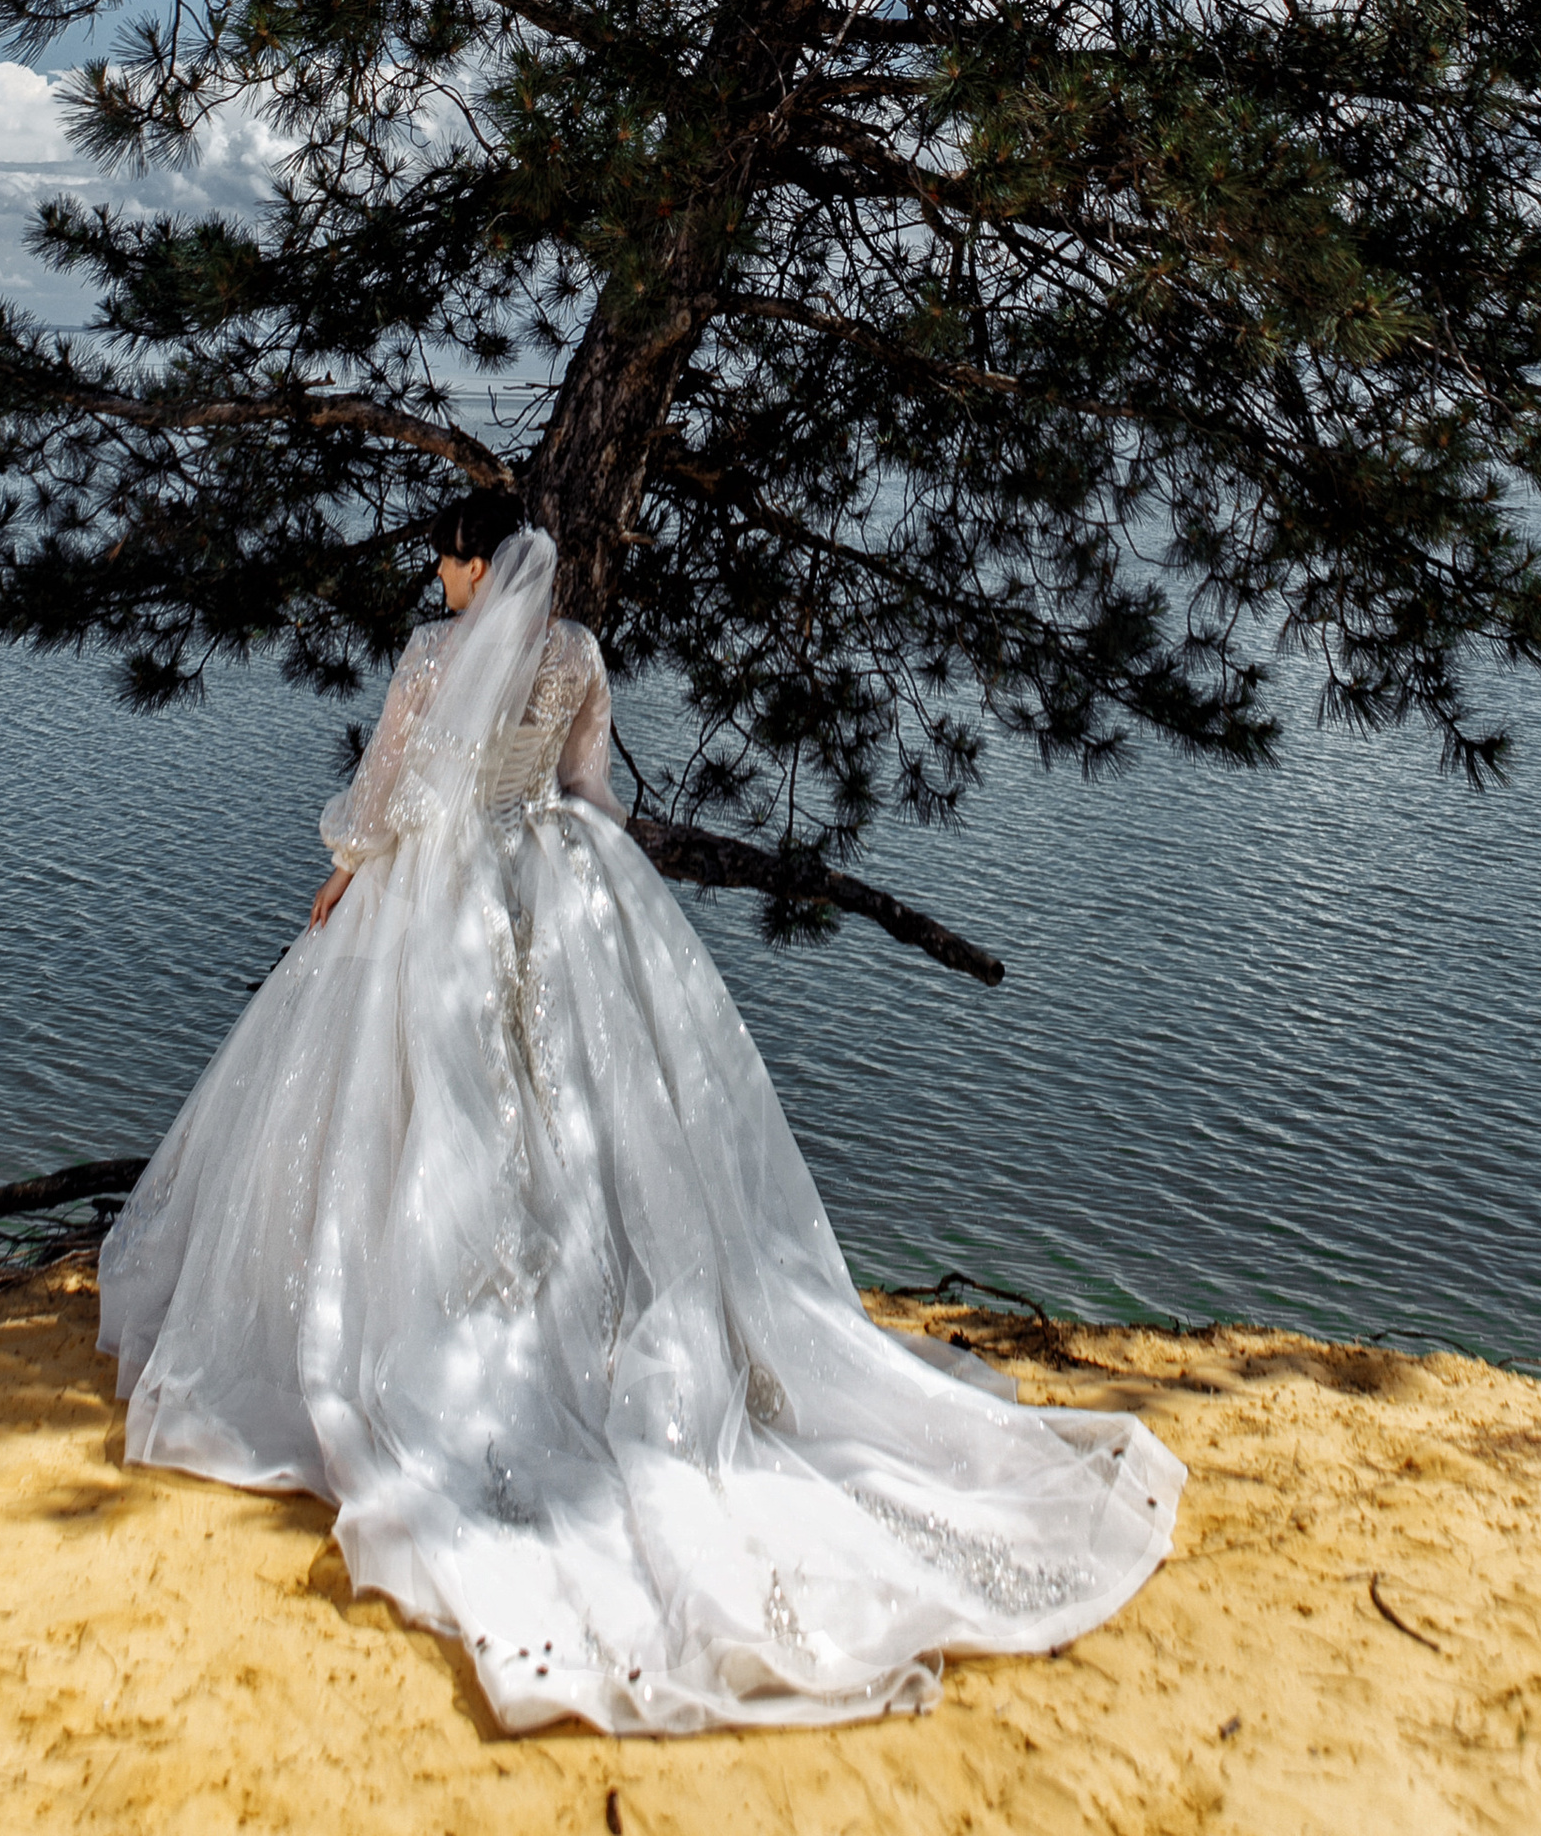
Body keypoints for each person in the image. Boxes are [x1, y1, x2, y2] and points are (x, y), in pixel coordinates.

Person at [97, 496, 1183, 1734]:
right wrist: (589, 881)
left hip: (438, 896)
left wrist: (340, 879)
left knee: (428, 1110)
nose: (446, 583)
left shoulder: (431, 657)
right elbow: (584, 784)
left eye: (448, 564)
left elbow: (390, 785)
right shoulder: (575, 654)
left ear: (468, 564)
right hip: (555, 876)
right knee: (570, 1109)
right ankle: (571, 1300)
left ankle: (448, 1311)